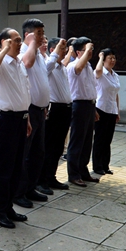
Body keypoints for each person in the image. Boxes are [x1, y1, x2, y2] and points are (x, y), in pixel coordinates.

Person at [0, 28, 32, 228]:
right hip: (5, 120)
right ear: (5, 42)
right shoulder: (0, 61)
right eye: (16, 40)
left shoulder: (19, 63)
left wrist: (27, 118)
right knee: (2, 169)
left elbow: (23, 93)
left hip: (21, 119)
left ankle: (8, 207)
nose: (19, 44)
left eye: (20, 40)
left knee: (16, 168)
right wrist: (3, 50)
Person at [15, 19, 51, 208]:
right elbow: (27, 63)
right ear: (27, 34)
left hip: (40, 110)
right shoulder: (23, 52)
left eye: (42, 33)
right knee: (25, 153)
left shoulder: (39, 54)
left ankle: (30, 187)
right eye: (38, 33)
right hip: (28, 110)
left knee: (38, 152)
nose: (42, 37)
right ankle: (18, 192)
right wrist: (31, 44)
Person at [40, 38, 73, 192]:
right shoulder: (48, 64)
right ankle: (42, 179)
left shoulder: (62, 67)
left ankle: (51, 176)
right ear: (53, 50)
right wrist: (58, 49)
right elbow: (47, 67)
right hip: (54, 109)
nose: (64, 52)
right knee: (49, 145)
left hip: (65, 109)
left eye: (65, 50)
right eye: (61, 50)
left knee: (59, 146)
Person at [66, 37, 97, 187]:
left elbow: (91, 88)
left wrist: (94, 108)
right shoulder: (73, 66)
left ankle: (83, 170)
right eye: (86, 50)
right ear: (78, 52)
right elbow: (78, 68)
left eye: (91, 49)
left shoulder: (89, 67)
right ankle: (74, 174)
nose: (90, 52)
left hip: (89, 105)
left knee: (87, 141)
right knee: (77, 141)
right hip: (78, 105)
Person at [93, 48, 121, 176]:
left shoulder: (115, 75)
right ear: (104, 60)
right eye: (110, 58)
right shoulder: (100, 73)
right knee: (100, 138)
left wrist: (117, 111)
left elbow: (116, 94)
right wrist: (100, 57)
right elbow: (98, 70)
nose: (113, 60)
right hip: (101, 109)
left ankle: (105, 165)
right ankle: (97, 166)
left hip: (112, 109)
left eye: (114, 58)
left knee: (108, 139)